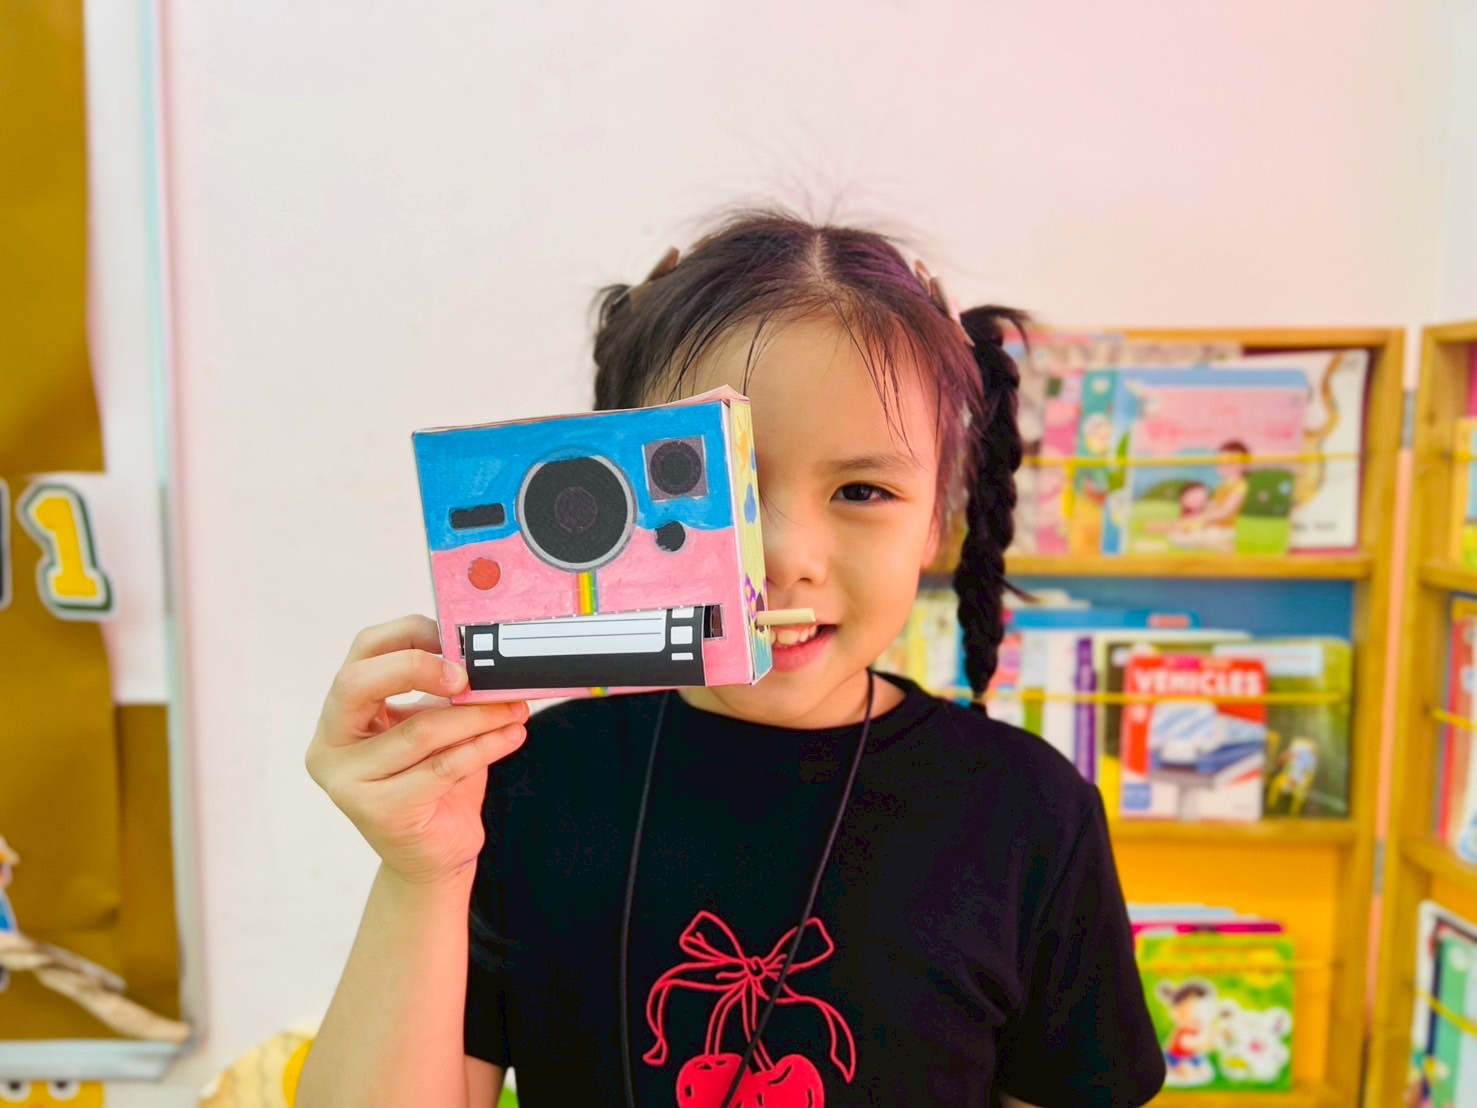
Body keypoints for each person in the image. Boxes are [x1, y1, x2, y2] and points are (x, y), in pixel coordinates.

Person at [297, 210, 1167, 1107]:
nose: (783, 555)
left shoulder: (1026, 811)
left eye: (861, 489)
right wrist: (419, 872)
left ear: (937, 522)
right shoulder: (526, 782)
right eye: (718, 483)